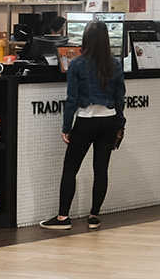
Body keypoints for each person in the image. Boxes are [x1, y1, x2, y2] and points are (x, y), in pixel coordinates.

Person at [40, 21, 125, 230]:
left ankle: (63, 218)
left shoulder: (77, 64)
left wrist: (66, 126)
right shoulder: (115, 64)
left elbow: (72, 99)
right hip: (109, 121)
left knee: (70, 169)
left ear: (85, 39)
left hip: (86, 121)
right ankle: (94, 216)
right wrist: (120, 124)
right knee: (101, 170)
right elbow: (120, 97)